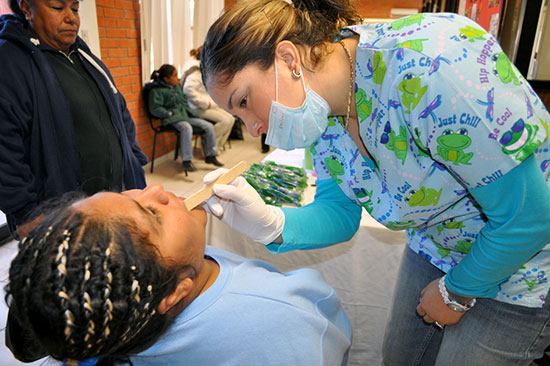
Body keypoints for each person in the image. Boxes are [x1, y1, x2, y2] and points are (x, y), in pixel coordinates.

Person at [199, 0, 550, 364]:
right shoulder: (322, 114)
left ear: (289, 60)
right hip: (437, 244)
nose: (254, 127)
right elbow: (339, 212)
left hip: (523, 260)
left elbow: (530, 219)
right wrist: (272, 225)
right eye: (235, 114)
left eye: (243, 100)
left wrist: (456, 292)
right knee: (399, 357)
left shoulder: (433, 70)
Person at [5, 184, 352, 366]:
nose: (154, 189)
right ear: (173, 293)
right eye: (153, 215)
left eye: (122, 194)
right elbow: (331, 333)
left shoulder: (101, 326)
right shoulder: (287, 318)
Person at [0, 0, 149, 240]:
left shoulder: (83, 56)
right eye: (58, 8)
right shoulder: (8, 61)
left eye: (75, 8)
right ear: (27, 8)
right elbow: (4, 148)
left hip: (116, 200)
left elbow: (120, 112)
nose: (71, 18)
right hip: (60, 217)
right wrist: (25, 212)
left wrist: (134, 160)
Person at [145, 64, 223, 172]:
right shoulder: (156, 91)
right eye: (174, 76)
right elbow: (155, 108)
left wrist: (196, 116)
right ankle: (187, 161)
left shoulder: (177, 87)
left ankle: (211, 155)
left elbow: (185, 104)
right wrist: (169, 113)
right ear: (166, 79)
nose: (177, 78)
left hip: (184, 116)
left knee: (208, 125)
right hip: (171, 118)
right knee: (186, 127)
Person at [181, 46, 235, 149]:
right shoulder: (195, 71)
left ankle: (217, 146)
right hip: (197, 107)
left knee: (231, 118)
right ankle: (208, 145)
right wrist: (206, 103)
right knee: (225, 121)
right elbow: (188, 90)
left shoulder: (204, 68)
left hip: (208, 105)